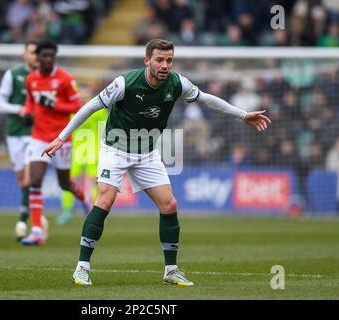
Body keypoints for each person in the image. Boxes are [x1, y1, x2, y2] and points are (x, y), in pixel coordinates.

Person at [42, 39, 271, 285]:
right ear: (147, 60)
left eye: (169, 60)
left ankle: (171, 271)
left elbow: (206, 99)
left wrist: (242, 114)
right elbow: (89, 107)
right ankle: (81, 268)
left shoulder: (177, 83)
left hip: (147, 152)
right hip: (115, 149)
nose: (165, 65)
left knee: (169, 205)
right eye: (159, 60)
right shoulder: (124, 83)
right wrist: (61, 137)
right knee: (105, 199)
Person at [20, 39, 91, 246]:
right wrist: (28, 112)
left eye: (52, 56)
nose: (48, 59)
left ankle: (85, 198)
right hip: (39, 138)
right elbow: (31, 102)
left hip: (61, 139)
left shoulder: (65, 79)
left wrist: (52, 103)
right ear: (38, 58)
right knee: (35, 180)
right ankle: (36, 231)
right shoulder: (31, 79)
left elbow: (76, 106)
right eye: (45, 56)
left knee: (64, 183)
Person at [0, 40, 48, 241]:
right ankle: (37, 214)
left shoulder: (46, 77)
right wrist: (18, 109)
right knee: (22, 180)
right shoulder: (13, 75)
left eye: (39, 53)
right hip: (15, 132)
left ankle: (22, 221)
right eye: (33, 52)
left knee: (29, 177)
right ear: (24, 55)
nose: (36, 56)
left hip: (36, 134)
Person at [57, 96, 108, 225]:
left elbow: (105, 128)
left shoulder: (95, 110)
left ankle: (92, 211)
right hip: (77, 151)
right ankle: (67, 210)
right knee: (70, 181)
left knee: (90, 182)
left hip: (90, 150)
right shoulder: (75, 109)